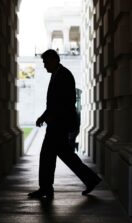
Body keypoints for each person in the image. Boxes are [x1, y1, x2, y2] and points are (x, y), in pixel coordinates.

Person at [28, 49, 102, 199]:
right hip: (58, 124)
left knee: (48, 155)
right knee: (65, 156)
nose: (44, 65)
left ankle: (46, 189)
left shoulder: (64, 76)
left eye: (46, 62)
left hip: (59, 125)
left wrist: (49, 118)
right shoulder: (59, 74)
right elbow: (54, 103)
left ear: (54, 60)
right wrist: (44, 116)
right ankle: (90, 179)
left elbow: (63, 103)